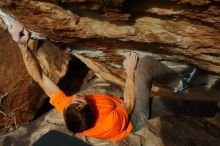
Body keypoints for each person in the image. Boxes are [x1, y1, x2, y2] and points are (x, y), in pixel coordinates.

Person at [8, 23, 217, 142]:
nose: (77, 96)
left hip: (119, 107)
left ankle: (210, 107)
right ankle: (182, 82)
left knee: (171, 105)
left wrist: (22, 46)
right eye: (80, 101)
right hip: (133, 117)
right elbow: (129, 103)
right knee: (144, 67)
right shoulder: (109, 121)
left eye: (73, 101)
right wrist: (129, 71)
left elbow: (40, 78)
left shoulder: (69, 106)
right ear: (91, 110)